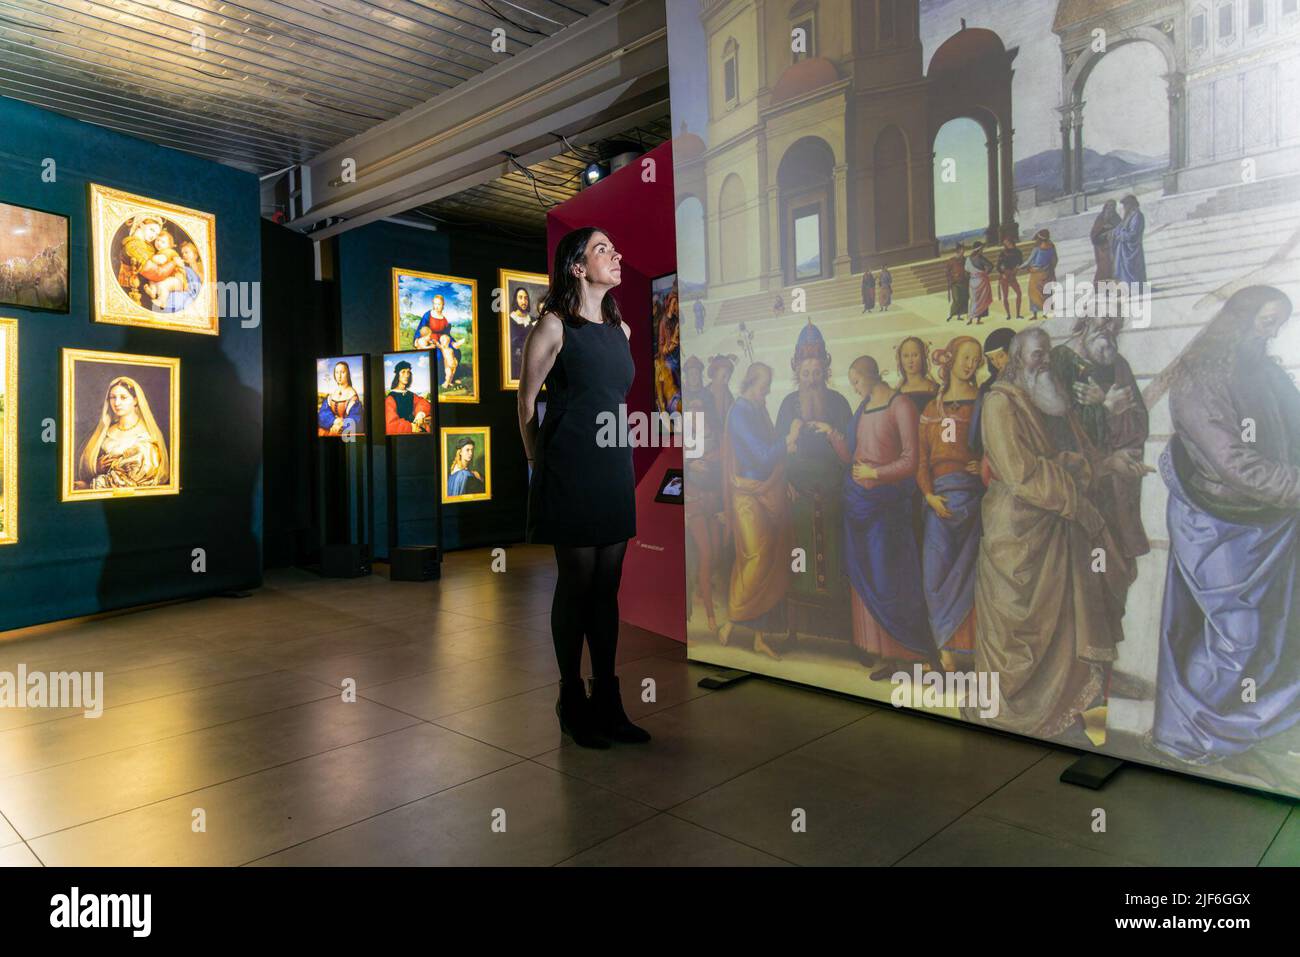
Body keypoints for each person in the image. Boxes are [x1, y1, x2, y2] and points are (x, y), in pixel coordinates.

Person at [965, 328, 1143, 741]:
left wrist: (1105, 465)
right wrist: (1078, 502)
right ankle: (1015, 717)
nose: (1043, 360)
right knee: (1020, 628)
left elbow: (1059, 459)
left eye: (1046, 353)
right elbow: (1021, 472)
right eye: (1034, 354)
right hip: (1018, 531)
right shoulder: (999, 403)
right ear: (1015, 358)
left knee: (1070, 630)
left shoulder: (1042, 400)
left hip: (1055, 531)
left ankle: (1076, 724)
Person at [1153, 286, 1300, 785]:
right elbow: (1231, 460)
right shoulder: (1200, 376)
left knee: (1272, 635)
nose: (1273, 331)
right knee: (1237, 636)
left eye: (1280, 322)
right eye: (1266, 320)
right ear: (1240, 319)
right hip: (1217, 525)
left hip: (1270, 523)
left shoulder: (1268, 371)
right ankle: (1187, 735)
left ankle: (1240, 732)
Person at [518, 226, 648, 749]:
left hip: (613, 466)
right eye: (602, 249)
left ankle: (608, 700)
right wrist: (537, 464)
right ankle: (571, 699)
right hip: (568, 467)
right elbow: (526, 405)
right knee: (577, 583)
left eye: (615, 247)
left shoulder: (624, 331)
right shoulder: (552, 326)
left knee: (607, 588)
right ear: (577, 266)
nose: (615, 254)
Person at [836, 356, 937, 678]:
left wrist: (875, 473)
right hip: (859, 506)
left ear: (868, 376)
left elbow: (910, 460)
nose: (854, 388)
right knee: (868, 577)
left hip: (888, 509)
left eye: (855, 381)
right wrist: (833, 437)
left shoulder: (901, 405)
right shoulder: (863, 409)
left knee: (893, 579)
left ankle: (918, 655)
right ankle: (890, 657)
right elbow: (851, 456)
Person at [774, 321, 854, 643]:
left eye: (816, 372)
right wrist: (784, 481)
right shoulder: (786, 405)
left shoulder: (838, 403)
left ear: (825, 370)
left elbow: (851, 447)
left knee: (837, 561)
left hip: (833, 495)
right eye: (805, 373)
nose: (811, 378)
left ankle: (836, 630)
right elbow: (778, 448)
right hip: (799, 497)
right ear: (797, 372)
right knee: (798, 562)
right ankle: (799, 628)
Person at [1050, 315, 1150, 562]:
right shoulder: (1058, 365)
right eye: (1105, 321)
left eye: (1116, 324)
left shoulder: (1118, 365)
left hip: (1118, 496)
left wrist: (1110, 411)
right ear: (1083, 320)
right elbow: (1060, 438)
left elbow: (1139, 427)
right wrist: (1105, 408)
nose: (1112, 329)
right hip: (1082, 493)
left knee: (1119, 571)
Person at [718, 362, 795, 660]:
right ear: (751, 383)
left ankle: (759, 638)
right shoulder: (739, 412)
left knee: (770, 558)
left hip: (767, 492)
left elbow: (770, 458)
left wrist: (782, 479)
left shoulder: (759, 409)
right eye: (764, 385)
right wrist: (788, 441)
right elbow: (762, 457)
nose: (767, 390)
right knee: (756, 557)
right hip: (747, 494)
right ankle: (732, 618)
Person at [917, 337, 984, 669]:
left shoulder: (983, 403)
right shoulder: (932, 408)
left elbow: (996, 445)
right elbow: (920, 460)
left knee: (967, 578)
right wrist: (929, 495)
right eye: (965, 357)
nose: (970, 363)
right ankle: (943, 650)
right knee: (934, 577)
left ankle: (961, 656)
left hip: (972, 499)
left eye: (976, 358)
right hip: (938, 501)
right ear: (952, 359)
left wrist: (982, 465)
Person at [683, 356, 724, 633]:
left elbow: (722, 462)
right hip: (694, 499)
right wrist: (688, 462)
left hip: (712, 499)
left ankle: (703, 594)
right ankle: (709, 616)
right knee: (706, 553)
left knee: (716, 553)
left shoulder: (714, 431)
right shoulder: (686, 432)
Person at [76, 376, 170, 490]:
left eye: (123, 397)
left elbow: (136, 481)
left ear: (135, 400)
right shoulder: (105, 431)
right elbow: (87, 467)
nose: (117, 403)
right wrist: (96, 467)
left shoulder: (145, 437)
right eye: (113, 397)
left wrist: (89, 486)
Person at [418, 294, 461, 389]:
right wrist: (419, 340)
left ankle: (453, 377)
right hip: (431, 339)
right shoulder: (428, 315)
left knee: (456, 352)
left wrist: (452, 342)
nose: (436, 306)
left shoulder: (444, 318)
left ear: (443, 305)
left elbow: (447, 333)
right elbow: (421, 329)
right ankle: (441, 380)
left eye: (439, 304)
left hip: (442, 338)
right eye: (435, 304)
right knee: (438, 355)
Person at [317, 360, 364, 437]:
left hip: (344, 431)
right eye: (336, 372)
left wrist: (341, 425)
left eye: (342, 372)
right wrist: (334, 421)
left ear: (348, 374)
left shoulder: (352, 395)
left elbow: (356, 419)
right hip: (332, 426)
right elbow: (322, 412)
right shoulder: (333, 393)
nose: (339, 376)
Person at [385, 359, 432, 434]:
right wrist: (411, 427)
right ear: (397, 375)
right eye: (403, 372)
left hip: (417, 429)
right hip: (404, 433)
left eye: (408, 372)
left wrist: (420, 414)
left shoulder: (411, 395)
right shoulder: (390, 398)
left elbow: (423, 402)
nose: (407, 375)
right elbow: (390, 424)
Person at [896, 336, 938, 415]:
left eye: (915, 355)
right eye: (906, 356)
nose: (910, 360)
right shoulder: (897, 393)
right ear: (900, 359)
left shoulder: (935, 389)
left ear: (922, 357)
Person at [1111, 194, 1147, 285]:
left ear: (1131, 205)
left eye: (1126, 205)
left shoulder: (1137, 216)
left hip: (1133, 250)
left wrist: (1120, 234)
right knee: (1124, 272)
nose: (1124, 208)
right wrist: (1115, 231)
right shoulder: (1129, 215)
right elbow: (1120, 227)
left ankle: (1136, 289)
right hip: (1125, 250)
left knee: (1134, 271)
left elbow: (1133, 235)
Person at [1025, 229, 1058, 319]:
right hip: (1046, 273)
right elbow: (1055, 260)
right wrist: (1049, 269)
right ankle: (1046, 313)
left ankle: (1035, 315)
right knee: (1046, 292)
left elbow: (1028, 261)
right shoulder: (1051, 246)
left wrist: (1019, 267)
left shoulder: (1037, 248)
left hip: (1036, 274)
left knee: (1034, 294)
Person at [508, 286, 535, 383]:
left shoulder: (533, 320)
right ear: (515, 299)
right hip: (515, 365)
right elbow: (512, 344)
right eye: (520, 297)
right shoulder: (509, 320)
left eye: (526, 298)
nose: (524, 301)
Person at [1090, 199, 1120, 284]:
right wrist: (1104, 233)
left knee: (1114, 268)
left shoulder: (1116, 217)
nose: (1111, 208)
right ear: (1105, 207)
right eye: (1109, 206)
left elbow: (1121, 227)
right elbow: (1094, 236)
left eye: (1113, 207)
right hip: (1102, 248)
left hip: (1113, 247)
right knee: (1104, 267)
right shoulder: (1100, 218)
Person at [995, 237, 1024, 320]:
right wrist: (1002, 273)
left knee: (1019, 293)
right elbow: (998, 266)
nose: (1006, 244)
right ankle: (1008, 315)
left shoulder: (1018, 252)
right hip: (1004, 276)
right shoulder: (1003, 253)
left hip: (1012, 275)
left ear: (1011, 241)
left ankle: (1018, 314)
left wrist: (1016, 268)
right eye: (1005, 243)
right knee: (1005, 296)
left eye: (1007, 242)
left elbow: (1020, 263)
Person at [965, 241, 993, 324]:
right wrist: (985, 273)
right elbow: (991, 266)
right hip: (981, 281)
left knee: (973, 300)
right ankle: (978, 320)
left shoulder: (968, 259)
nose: (982, 250)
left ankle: (970, 319)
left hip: (972, 281)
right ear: (979, 249)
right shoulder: (980, 258)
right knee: (982, 300)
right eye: (981, 249)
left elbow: (966, 271)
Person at [946, 242, 969, 323]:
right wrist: (951, 280)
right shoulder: (951, 261)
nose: (963, 251)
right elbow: (947, 272)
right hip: (955, 283)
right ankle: (951, 315)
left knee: (964, 298)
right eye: (962, 250)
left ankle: (959, 315)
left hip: (964, 282)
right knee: (957, 299)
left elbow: (968, 269)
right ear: (958, 250)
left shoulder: (965, 260)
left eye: (964, 250)